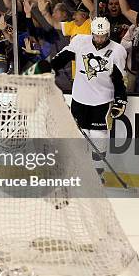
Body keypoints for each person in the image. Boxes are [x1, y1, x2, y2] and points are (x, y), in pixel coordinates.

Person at [47, 17, 127, 183]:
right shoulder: (80, 42)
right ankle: (79, 171)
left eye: (103, 36)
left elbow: (120, 81)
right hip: (80, 98)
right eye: (96, 35)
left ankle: (97, 173)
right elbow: (61, 58)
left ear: (108, 33)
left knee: (98, 136)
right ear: (91, 33)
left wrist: (120, 101)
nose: (99, 39)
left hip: (103, 101)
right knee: (79, 137)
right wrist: (45, 69)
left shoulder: (117, 51)